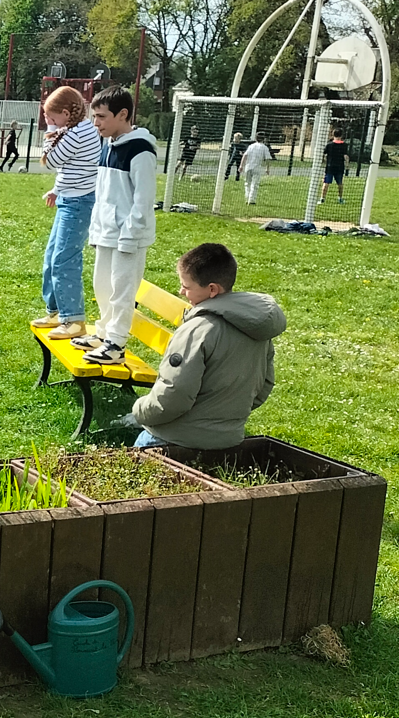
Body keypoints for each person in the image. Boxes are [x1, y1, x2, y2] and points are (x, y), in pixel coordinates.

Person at [132, 243, 286, 449]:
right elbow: (264, 385)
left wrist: (139, 409)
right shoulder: (258, 327)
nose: (181, 291)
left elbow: (173, 396)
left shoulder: (197, 330)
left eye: (186, 287)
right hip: (230, 441)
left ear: (212, 289)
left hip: (172, 438)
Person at [71, 87, 157, 366]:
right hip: (106, 232)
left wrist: (130, 235)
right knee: (103, 286)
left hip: (127, 237)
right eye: (94, 116)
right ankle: (105, 333)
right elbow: (105, 193)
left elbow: (143, 200)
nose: (96, 123)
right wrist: (97, 229)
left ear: (123, 115)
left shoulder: (141, 149)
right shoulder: (108, 145)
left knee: (122, 289)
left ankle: (116, 343)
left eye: (102, 117)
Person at [31, 85, 102, 342]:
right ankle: (56, 310)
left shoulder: (76, 133)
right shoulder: (78, 129)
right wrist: (56, 190)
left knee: (64, 260)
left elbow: (49, 161)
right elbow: (77, 170)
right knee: (52, 256)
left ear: (65, 112)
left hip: (78, 203)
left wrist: (50, 133)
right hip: (70, 197)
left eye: (52, 118)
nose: (49, 123)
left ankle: (73, 319)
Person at [241, 135, 273, 206]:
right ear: (264, 139)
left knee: (247, 183)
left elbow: (245, 155)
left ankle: (247, 198)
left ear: (255, 138)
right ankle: (251, 200)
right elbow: (268, 159)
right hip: (257, 167)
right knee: (254, 184)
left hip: (248, 166)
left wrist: (241, 165)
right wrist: (267, 168)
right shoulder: (264, 147)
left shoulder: (251, 146)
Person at [323, 127, 348, 203]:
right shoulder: (344, 145)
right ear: (342, 135)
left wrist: (325, 161)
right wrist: (347, 165)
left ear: (333, 134)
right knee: (340, 183)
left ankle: (322, 198)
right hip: (339, 167)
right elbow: (345, 156)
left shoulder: (329, 145)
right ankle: (340, 198)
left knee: (326, 182)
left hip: (330, 166)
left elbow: (324, 155)